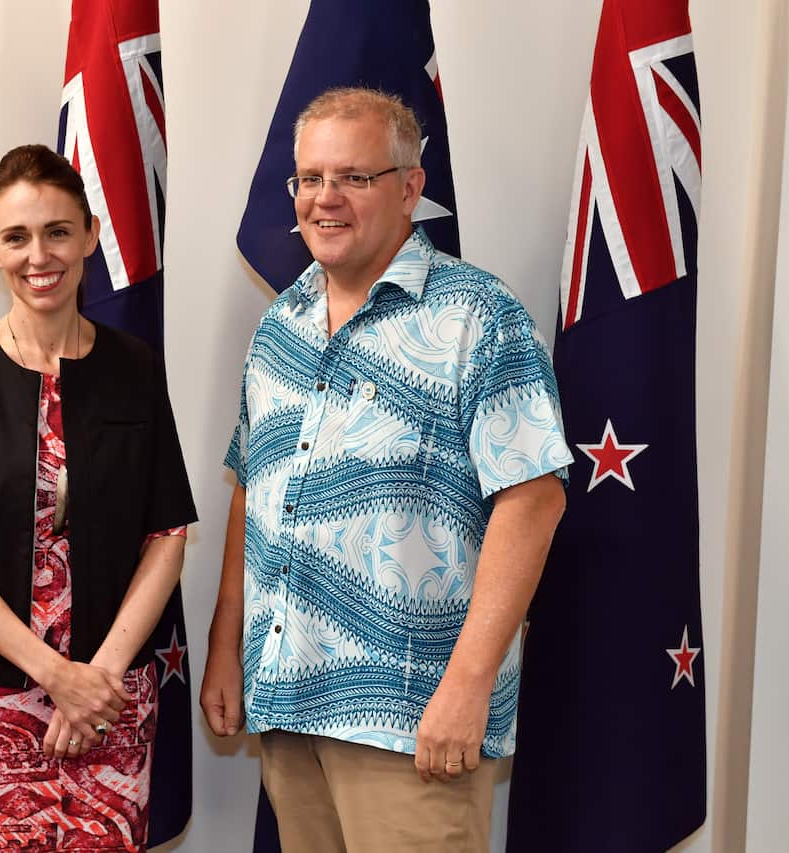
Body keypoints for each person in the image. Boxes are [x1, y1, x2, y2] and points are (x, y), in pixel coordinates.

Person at [200, 88, 573, 852]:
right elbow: (253, 491)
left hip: (414, 720)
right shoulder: (279, 326)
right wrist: (225, 646)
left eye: (354, 177)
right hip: (289, 703)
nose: (325, 198)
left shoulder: (477, 316)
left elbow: (533, 499)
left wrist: (468, 682)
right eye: (309, 178)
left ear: (409, 187)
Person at [0, 144, 196, 853]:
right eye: (17, 237)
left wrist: (98, 680)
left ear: (90, 234)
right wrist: (56, 675)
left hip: (108, 702)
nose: (38, 255)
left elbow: (167, 535)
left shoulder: (135, 369)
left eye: (57, 231)